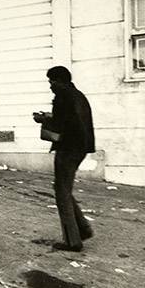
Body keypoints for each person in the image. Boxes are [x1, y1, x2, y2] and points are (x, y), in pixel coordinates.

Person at [33, 66, 95, 252]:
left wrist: (43, 120)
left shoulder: (61, 97)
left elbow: (62, 124)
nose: (50, 86)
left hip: (68, 148)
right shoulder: (77, 95)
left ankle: (73, 241)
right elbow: (70, 118)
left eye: (52, 82)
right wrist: (50, 116)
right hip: (81, 147)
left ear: (60, 81)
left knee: (61, 192)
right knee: (64, 188)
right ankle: (82, 229)